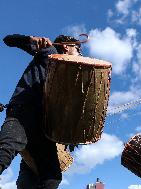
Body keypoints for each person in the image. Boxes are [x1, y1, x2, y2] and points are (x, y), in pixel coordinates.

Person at [0, 34, 82, 189]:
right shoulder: (50, 52)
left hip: (41, 127)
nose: (81, 53)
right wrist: (32, 40)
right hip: (23, 114)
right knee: (5, 151)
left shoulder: (68, 79)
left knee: (52, 177)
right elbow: (8, 40)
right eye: (78, 48)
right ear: (66, 46)